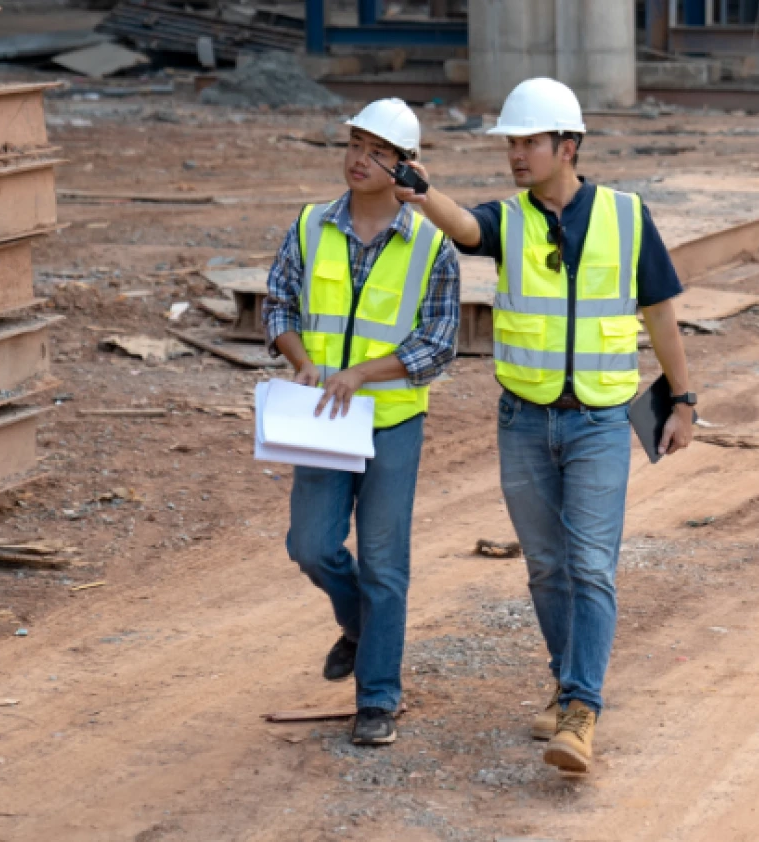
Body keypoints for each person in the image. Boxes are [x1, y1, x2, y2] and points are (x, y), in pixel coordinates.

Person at [394, 78, 695, 773]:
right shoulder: (512, 220)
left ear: (569, 146)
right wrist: (419, 191)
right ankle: (567, 689)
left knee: (590, 565)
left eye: (528, 142)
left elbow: (660, 317)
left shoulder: (627, 217)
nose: (516, 155)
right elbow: (466, 228)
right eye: (511, 143)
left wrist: (684, 400)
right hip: (523, 423)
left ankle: (582, 711)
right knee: (548, 569)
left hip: (597, 423)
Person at [263, 98, 461, 746]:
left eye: (377, 152)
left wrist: (362, 374)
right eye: (353, 144)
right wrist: (302, 360)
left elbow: (436, 345)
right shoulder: (311, 226)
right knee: (311, 545)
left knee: (383, 562)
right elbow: (280, 304)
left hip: (392, 420)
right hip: (322, 415)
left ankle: (377, 697)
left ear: (407, 167)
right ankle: (357, 624)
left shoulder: (432, 245)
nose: (358, 160)